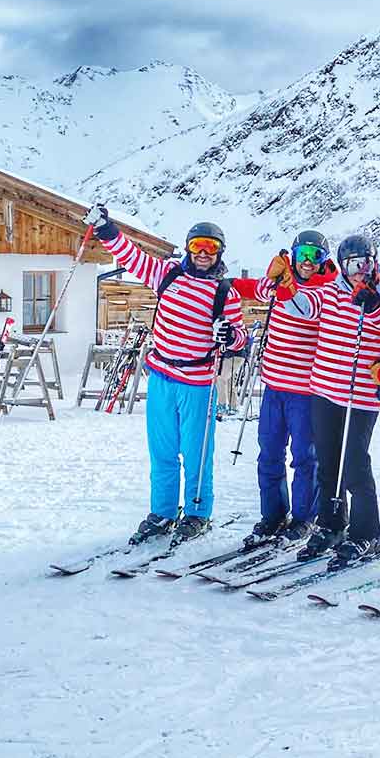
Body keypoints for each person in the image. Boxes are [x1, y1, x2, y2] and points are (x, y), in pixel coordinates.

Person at [86, 205, 248, 543]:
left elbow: (241, 337)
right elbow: (131, 257)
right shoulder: (168, 274)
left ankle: (197, 513)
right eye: (198, 245)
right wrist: (106, 229)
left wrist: (229, 336)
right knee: (162, 451)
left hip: (198, 383)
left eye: (211, 248)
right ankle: (162, 512)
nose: (203, 253)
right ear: (188, 247)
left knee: (196, 453)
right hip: (161, 377)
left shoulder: (224, 293)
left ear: (219, 253)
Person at [292, 234, 380, 565]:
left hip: (360, 397)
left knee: (354, 464)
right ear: (342, 266)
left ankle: (367, 533)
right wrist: (286, 287)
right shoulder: (330, 293)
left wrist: (374, 307)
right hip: (325, 391)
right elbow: (303, 306)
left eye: (366, 263)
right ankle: (331, 523)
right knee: (328, 463)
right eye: (353, 264)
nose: (360, 270)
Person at [231, 231, 338, 547]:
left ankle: (305, 517)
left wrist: (285, 285)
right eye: (302, 253)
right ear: (292, 254)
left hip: (305, 390)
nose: (307, 261)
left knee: (304, 457)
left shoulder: (327, 290)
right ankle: (274, 513)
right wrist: (227, 283)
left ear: (323, 260)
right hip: (274, 385)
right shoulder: (282, 282)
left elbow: (304, 307)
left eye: (315, 256)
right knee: (269, 453)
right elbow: (259, 290)